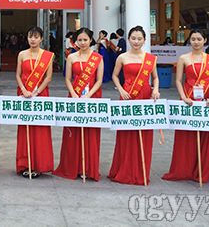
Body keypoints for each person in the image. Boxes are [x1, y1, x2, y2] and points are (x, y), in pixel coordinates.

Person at [162, 29, 209, 183]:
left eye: (199, 39)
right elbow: (178, 80)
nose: (196, 42)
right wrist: (183, 96)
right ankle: (183, 169)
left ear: (205, 40)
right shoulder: (184, 58)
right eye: (193, 39)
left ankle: (201, 171)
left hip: (207, 101)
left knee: (206, 136)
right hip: (188, 99)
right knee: (186, 136)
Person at [108, 25, 160, 185]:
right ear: (129, 39)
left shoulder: (150, 58)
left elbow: (155, 77)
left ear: (144, 40)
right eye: (133, 38)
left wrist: (155, 89)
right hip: (127, 96)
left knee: (144, 133)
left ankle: (141, 171)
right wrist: (121, 89)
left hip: (145, 96)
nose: (136, 41)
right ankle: (124, 170)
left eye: (139, 39)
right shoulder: (122, 57)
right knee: (126, 134)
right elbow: (114, 75)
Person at [54, 28, 104, 181]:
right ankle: (72, 167)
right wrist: (74, 94)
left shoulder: (98, 58)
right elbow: (68, 79)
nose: (82, 43)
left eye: (85, 40)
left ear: (91, 40)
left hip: (92, 97)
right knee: (74, 132)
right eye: (80, 40)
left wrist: (88, 95)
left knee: (90, 132)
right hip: (74, 96)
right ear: (76, 41)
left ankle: (88, 168)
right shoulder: (71, 57)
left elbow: (99, 80)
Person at [15, 26, 55, 178]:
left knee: (40, 129)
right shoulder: (22, 54)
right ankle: (25, 164)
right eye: (30, 36)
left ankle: (39, 164)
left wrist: (36, 92)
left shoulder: (48, 56)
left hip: (41, 94)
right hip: (24, 93)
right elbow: (18, 75)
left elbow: (48, 77)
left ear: (41, 39)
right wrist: (24, 90)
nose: (33, 40)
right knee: (25, 128)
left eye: (36, 37)